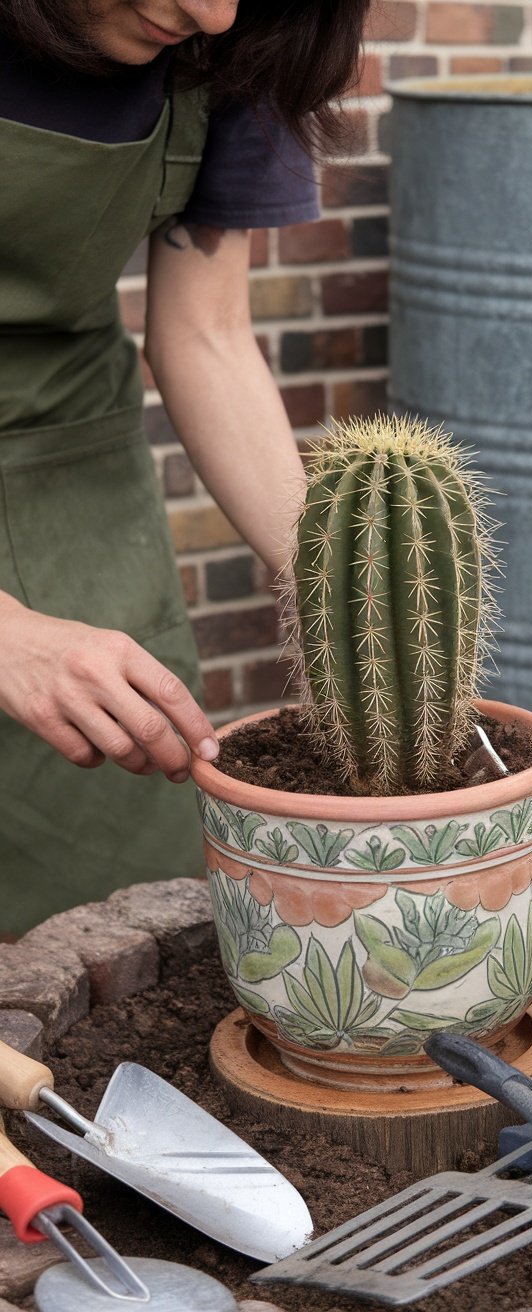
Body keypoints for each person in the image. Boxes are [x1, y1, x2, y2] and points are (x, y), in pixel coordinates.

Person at [0, 0, 370, 935]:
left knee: (112, 927)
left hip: (65, 473)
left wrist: (343, 594)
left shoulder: (238, 40)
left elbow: (206, 330)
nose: (213, 10)